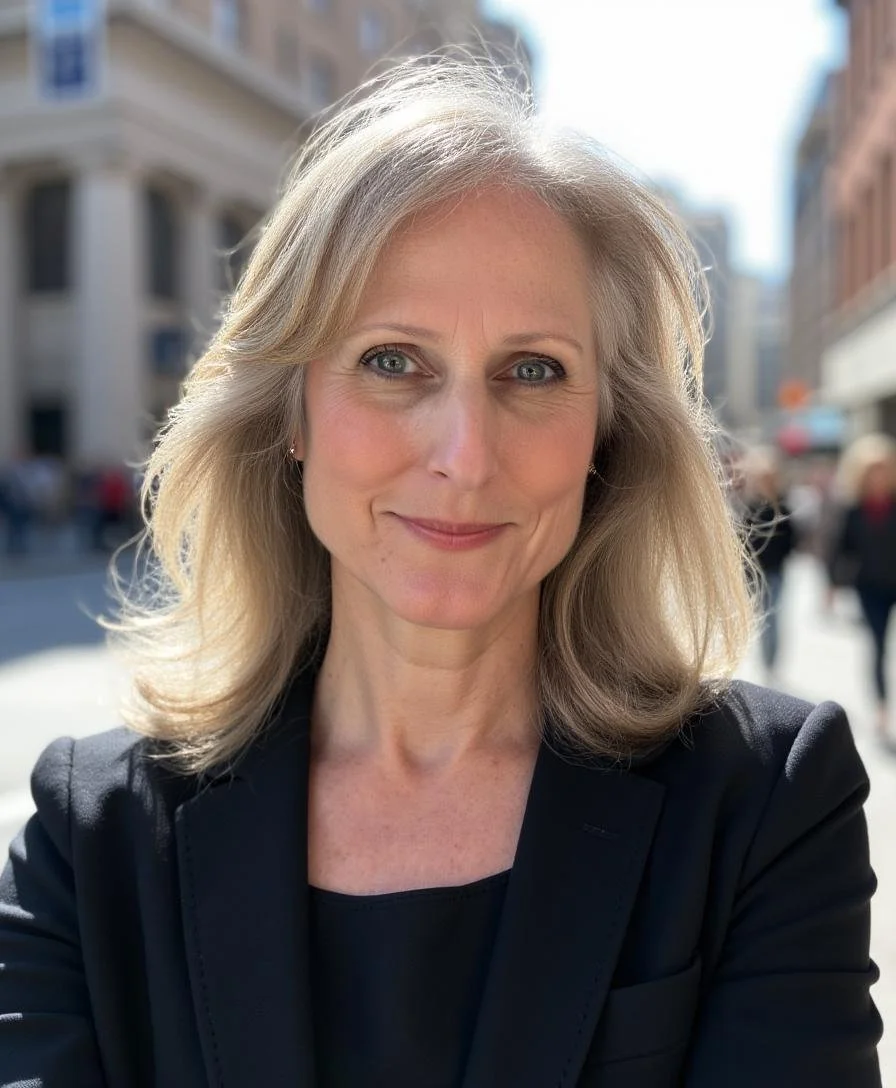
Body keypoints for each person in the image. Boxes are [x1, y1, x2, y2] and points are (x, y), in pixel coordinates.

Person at [0, 57, 881, 1087]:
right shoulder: (90, 835)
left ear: (607, 433)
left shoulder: (764, 801)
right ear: (290, 411)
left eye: (532, 369)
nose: (463, 452)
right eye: (391, 360)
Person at [828, 433, 896, 742]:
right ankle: (881, 707)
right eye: (872, 470)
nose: (878, 476)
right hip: (869, 589)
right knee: (878, 646)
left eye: (884, 468)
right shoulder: (853, 511)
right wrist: (831, 586)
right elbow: (840, 550)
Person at [740, 448, 796, 683]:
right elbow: (741, 540)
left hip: (775, 572)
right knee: (760, 617)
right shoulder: (749, 509)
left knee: (773, 617)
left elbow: (792, 539)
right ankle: (765, 659)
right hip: (754, 573)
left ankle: (772, 660)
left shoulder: (782, 508)